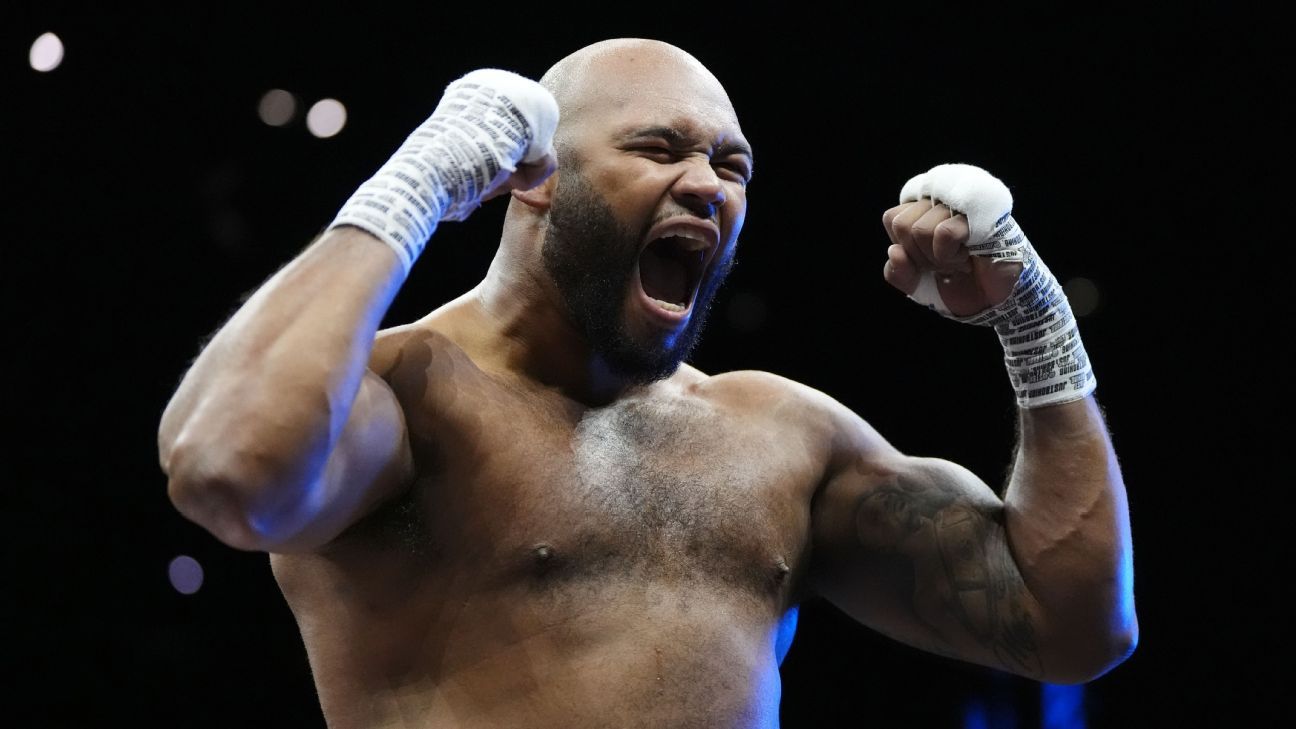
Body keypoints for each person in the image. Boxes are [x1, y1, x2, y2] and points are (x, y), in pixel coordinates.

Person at [157, 37, 1137, 728]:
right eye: (660, 149)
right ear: (534, 178)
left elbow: (1071, 626)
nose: (709, 186)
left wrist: (1036, 322)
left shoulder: (781, 435)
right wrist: (418, 184)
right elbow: (225, 468)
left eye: (732, 165)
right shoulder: (408, 398)